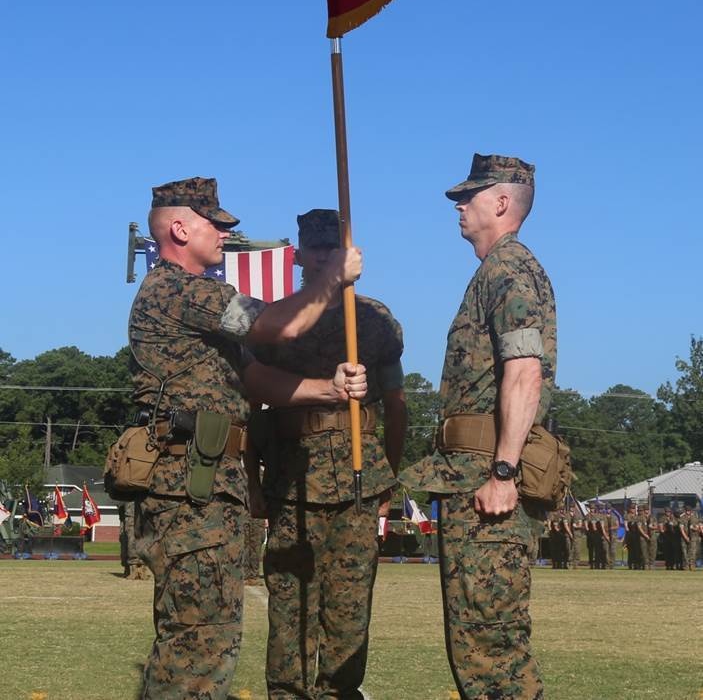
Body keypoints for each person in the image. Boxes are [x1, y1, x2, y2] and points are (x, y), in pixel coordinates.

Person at [129, 178, 367, 700]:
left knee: (209, 636)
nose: (224, 232)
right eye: (213, 222)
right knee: (196, 642)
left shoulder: (198, 307)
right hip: (190, 487)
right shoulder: (176, 289)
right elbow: (276, 326)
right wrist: (330, 280)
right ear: (179, 227)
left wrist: (327, 389)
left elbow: (254, 380)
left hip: (210, 484)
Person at [403, 152, 556, 700]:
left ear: (500, 202)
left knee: (489, 645)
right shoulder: (498, 270)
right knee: (480, 638)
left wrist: (503, 471)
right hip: (471, 476)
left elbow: (524, 370)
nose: (459, 205)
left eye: (468, 196)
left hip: (486, 482)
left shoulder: (508, 269)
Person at [251, 208, 407, 700]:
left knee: (350, 605)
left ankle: (340, 693)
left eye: (332, 248)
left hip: (360, 480)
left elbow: (397, 405)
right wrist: (253, 481)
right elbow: (253, 406)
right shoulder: (278, 323)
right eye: (315, 248)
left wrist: (391, 480)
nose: (323, 257)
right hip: (293, 480)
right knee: (290, 604)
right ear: (299, 255)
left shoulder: (376, 321)